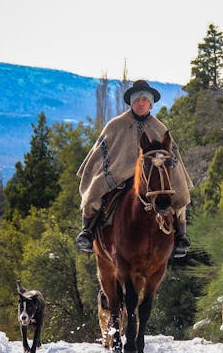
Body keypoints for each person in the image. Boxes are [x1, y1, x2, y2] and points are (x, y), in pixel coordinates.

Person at [75, 79, 193, 257]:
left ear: (151, 104)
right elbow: (100, 155)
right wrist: (105, 174)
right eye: (137, 100)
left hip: (152, 179)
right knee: (95, 193)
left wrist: (170, 175)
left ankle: (181, 236)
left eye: (145, 100)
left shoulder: (159, 128)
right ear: (131, 102)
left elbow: (172, 156)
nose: (140, 103)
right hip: (119, 178)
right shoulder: (115, 125)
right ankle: (87, 231)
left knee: (177, 194)